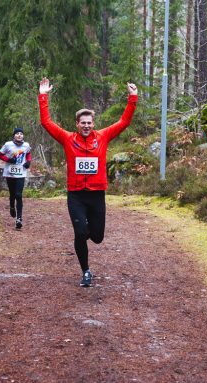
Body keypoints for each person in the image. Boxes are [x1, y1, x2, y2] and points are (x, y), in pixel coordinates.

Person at [38, 77, 138, 287]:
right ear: (77, 124)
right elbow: (46, 123)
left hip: (96, 194)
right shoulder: (67, 138)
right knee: (80, 232)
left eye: (89, 123)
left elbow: (124, 122)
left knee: (98, 237)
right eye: (82, 123)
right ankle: (85, 271)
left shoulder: (102, 137)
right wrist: (43, 95)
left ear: (93, 124)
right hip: (76, 195)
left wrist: (133, 98)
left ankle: (87, 236)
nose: (86, 126)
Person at [0, 127, 32, 229]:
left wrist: (28, 162)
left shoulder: (26, 145)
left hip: (21, 173)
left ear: (23, 136)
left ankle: (19, 219)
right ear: (14, 135)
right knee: (12, 194)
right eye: (17, 133)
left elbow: (28, 154)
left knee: (18, 194)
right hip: (9, 173)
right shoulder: (8, 144)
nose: (19, 135)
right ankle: (12, 206)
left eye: (21, 134)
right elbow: (0, 155)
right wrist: (8, 159)